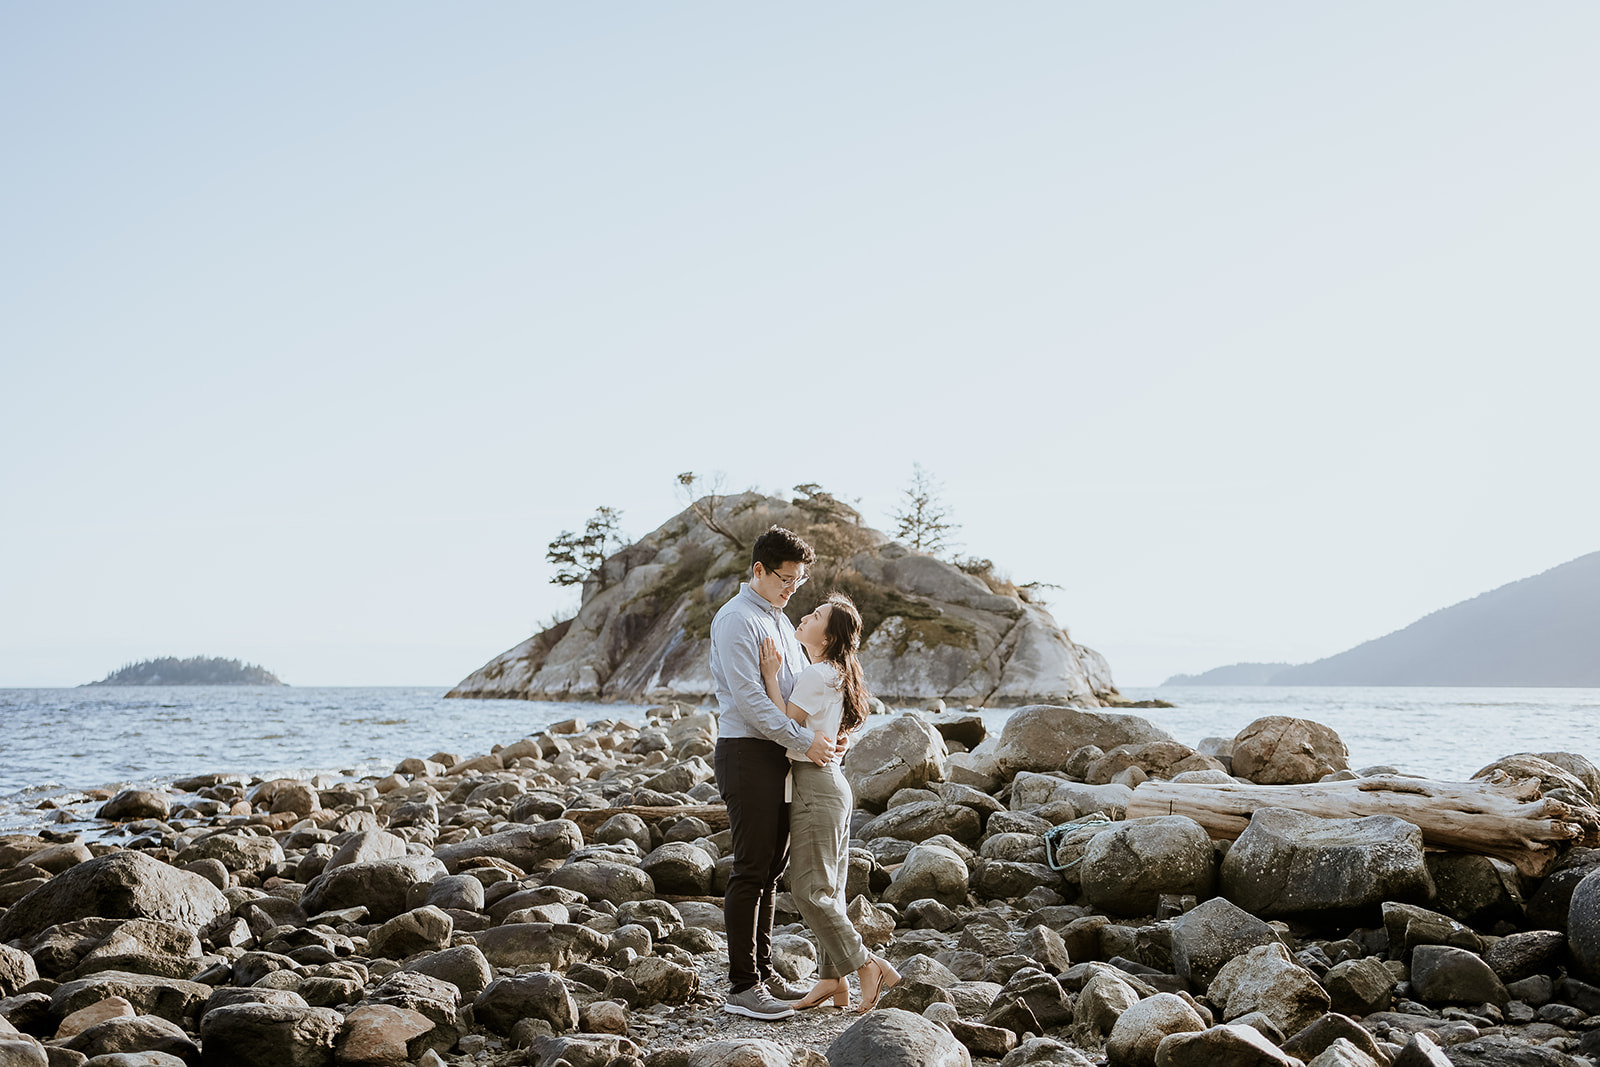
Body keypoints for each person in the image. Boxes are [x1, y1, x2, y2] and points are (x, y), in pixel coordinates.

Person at [709, 526, 843, 1021]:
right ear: (759, 570)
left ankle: (764, 974)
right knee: (750, 868)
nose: (792, 589)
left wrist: (824, 735)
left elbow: (792, 696)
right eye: (785, 578)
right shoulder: (736, 621)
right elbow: (750, 703)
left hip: (780, 755)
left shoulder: (782, 622)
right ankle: (743, 986)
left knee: (770, 870)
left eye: (799, 581)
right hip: (746, 752)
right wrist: (805, 741)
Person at [759, 593, 901, 1012]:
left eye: (817, 615)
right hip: (832, 786)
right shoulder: (833, 673)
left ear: (830, 636)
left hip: (815, 786)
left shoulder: (817, 673)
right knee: (830, 892)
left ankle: (867, 964)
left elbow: (782, 724)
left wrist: (770, 674)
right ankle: (831, 981)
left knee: (808, 892)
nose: (806, 615)